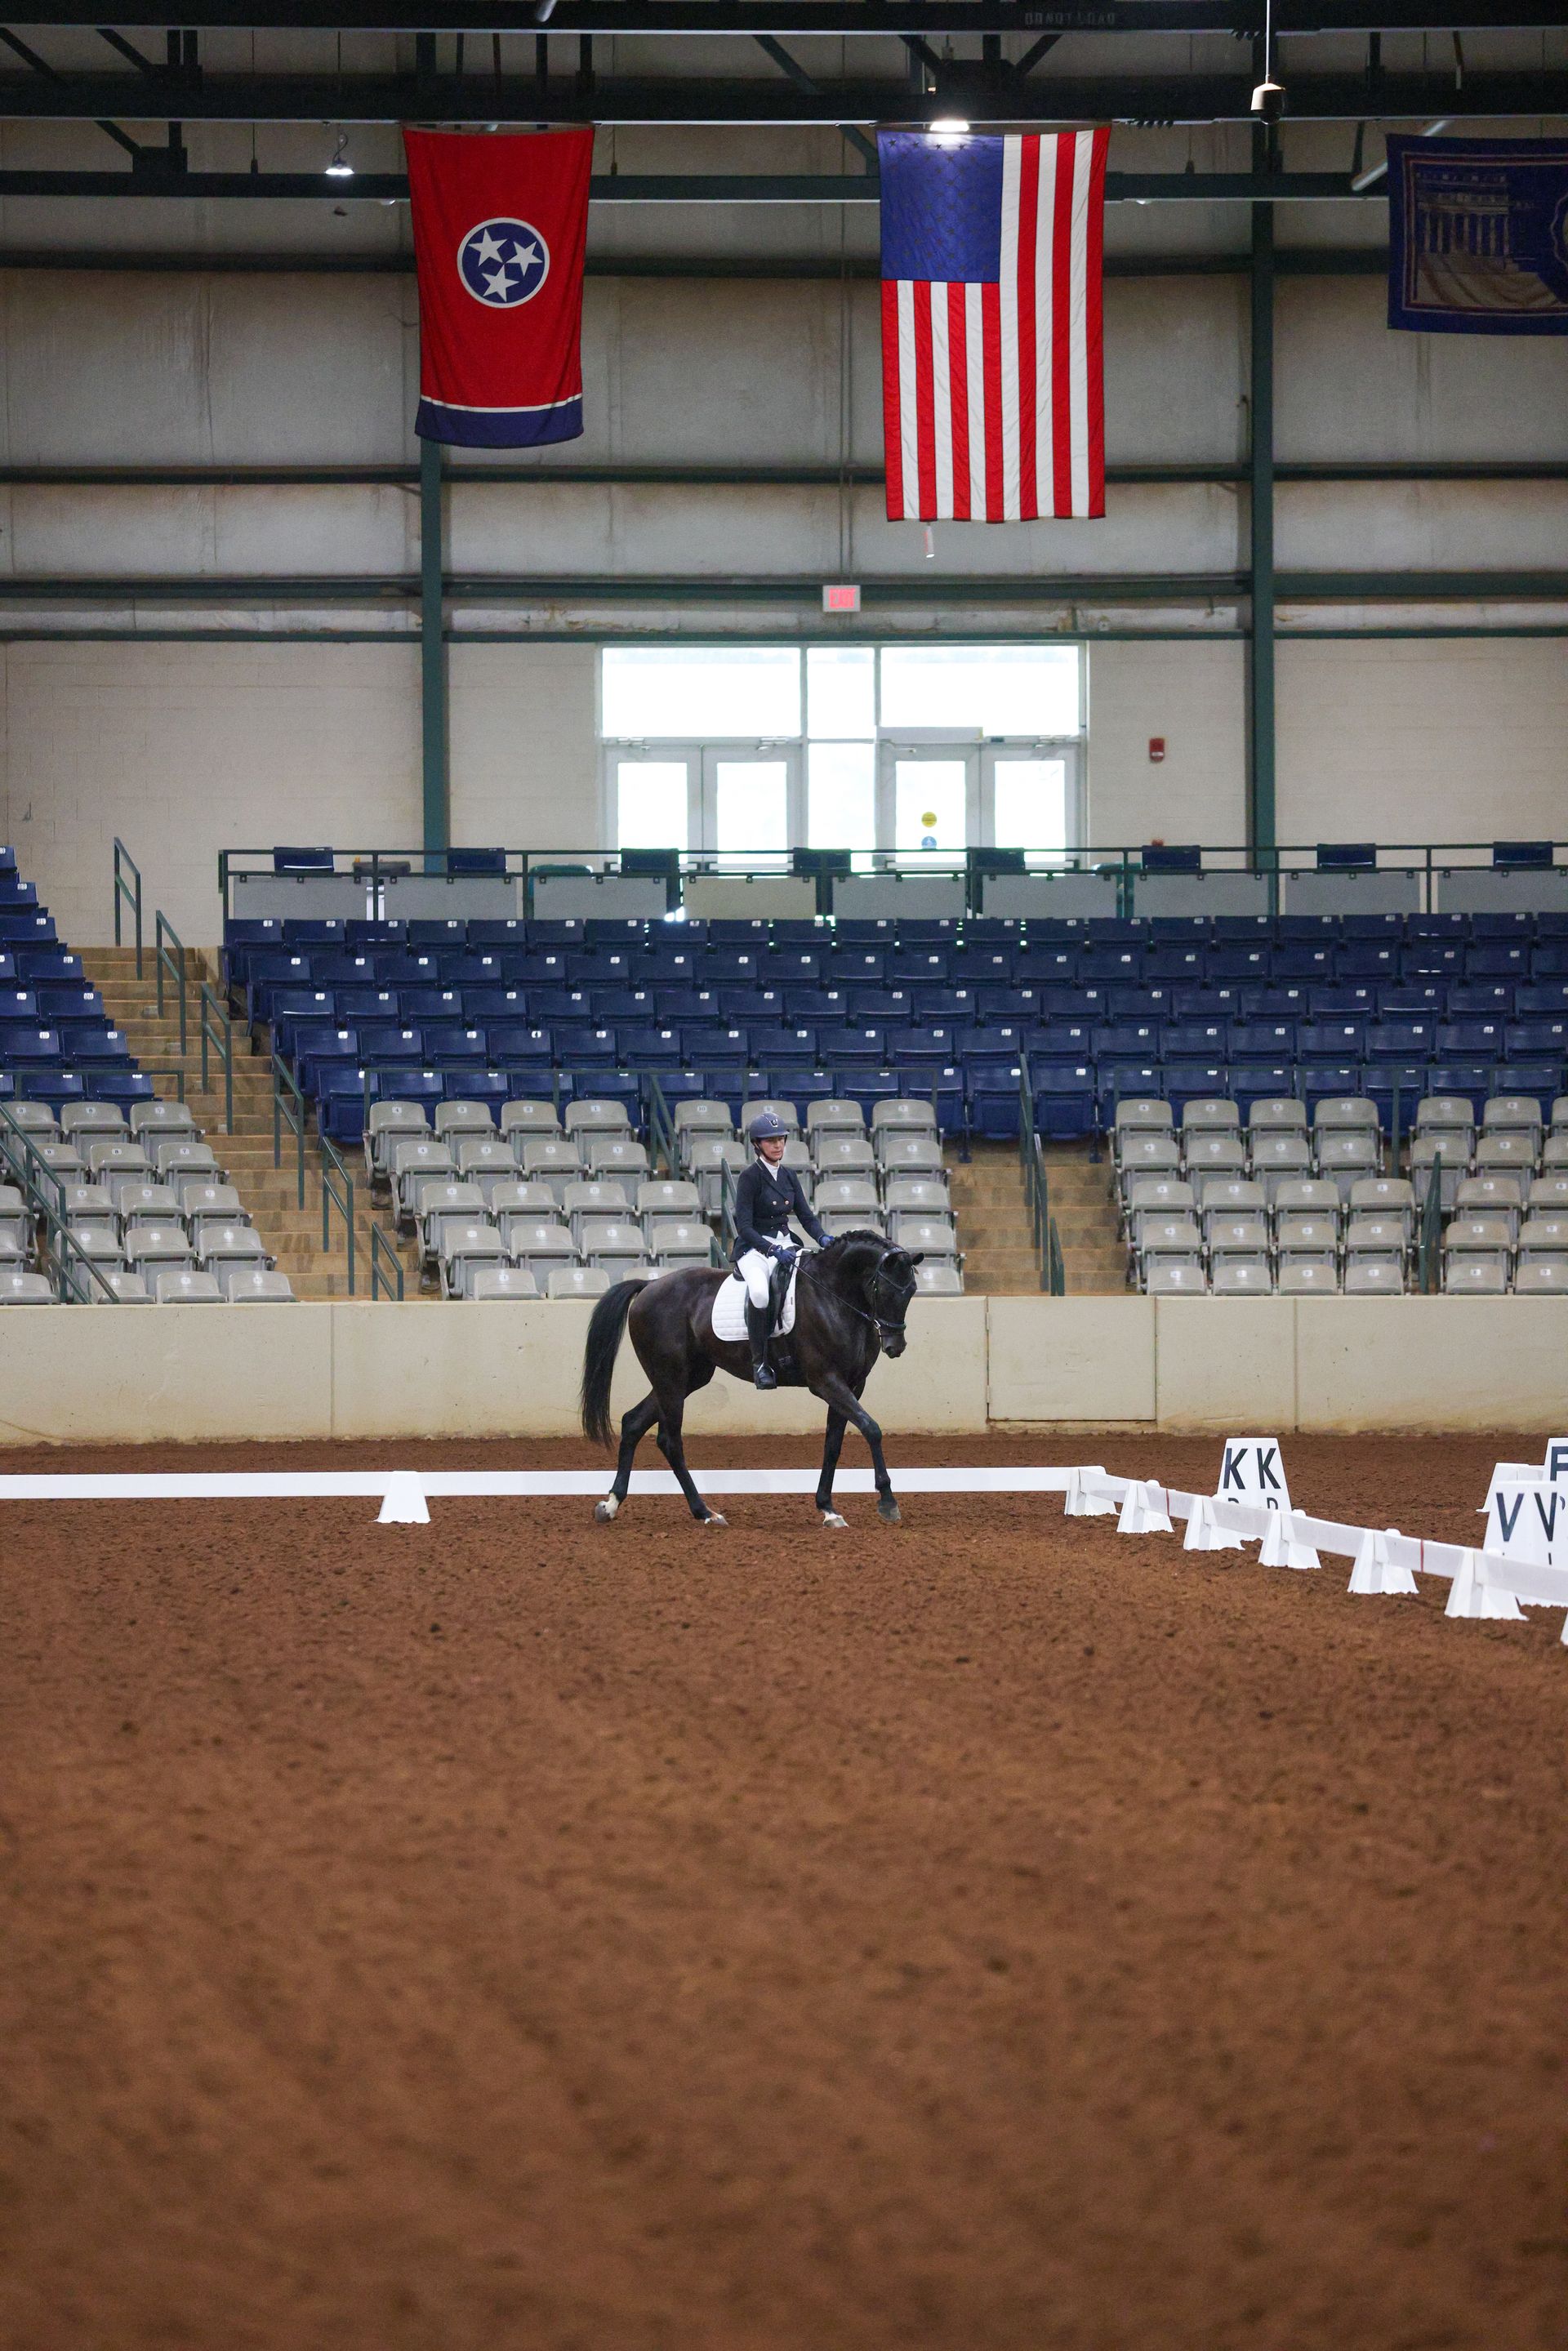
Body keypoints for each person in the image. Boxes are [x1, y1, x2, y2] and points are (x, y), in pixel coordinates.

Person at [732, 1110, 828, 1389]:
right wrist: (771, 1249)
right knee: (761, 1292)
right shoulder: (750, 1177)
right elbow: (745, 1227)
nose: (778, 1145)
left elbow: (806, 1216)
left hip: (787, 1243)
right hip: (754, 1248)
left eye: (781, 1139)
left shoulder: (788, 1176)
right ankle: (760, 1363)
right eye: (770, 1140)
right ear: (757, 1144)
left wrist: (823, 1238)